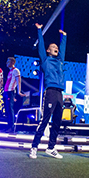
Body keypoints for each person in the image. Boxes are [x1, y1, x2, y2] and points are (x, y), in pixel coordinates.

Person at [29, 24, 67, 159]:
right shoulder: (45, 60)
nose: (56, 48)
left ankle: (51, 148)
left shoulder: (60, 60)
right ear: (48, 50)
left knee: (57, 121)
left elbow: (63, 49)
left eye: (56, 47)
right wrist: (39, 30)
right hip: (50, 91)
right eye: (53, 47)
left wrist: (64, 37)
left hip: (59, 93)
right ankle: (34, 146)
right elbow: (41, 47)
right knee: (45, 119)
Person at [3, 56, 27, 133]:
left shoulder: (16, 70)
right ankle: (8, 126)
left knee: (10, 110)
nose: (6, 63)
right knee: (7, 110)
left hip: (10, 92)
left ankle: (11, 127)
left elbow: (18, 81)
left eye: (8, 61)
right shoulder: (10, 71)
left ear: (12, 62)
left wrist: (18, 92)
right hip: (6, 92)